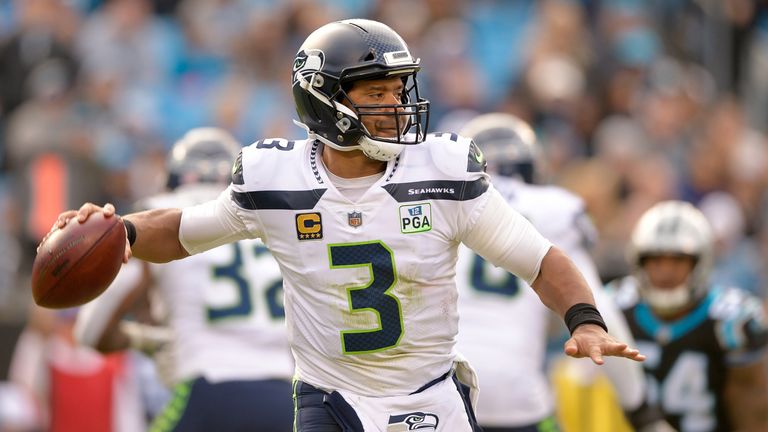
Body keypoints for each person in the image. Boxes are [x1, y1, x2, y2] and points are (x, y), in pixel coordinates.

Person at [45, 19, 644, 431]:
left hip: (427, 393)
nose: (397, 107)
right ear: (326, 102)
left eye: (398, 90)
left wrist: (584, 320)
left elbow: (541, 260)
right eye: (377, 94)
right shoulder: (275, 179)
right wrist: (120, 232)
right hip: (329, 398)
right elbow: (183, 230)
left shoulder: (442, 171)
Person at [454, 113, 669, 432]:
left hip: (447, 390)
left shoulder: (443, 203)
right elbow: (599, 312)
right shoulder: (552, 207)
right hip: (517, 396)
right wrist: (640, 411)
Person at [73, 127, 294, 431]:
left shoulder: (155, 215)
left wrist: (148, 340)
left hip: (208, 390)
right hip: (285, 398)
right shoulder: (271, 217)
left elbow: (90, 329)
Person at [610, 200, 768, 432]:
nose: (665, 271)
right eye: (656, 260)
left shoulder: (731, 321)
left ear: (700, 262)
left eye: (678, 260)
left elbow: (753, 411)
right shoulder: (614, 308)